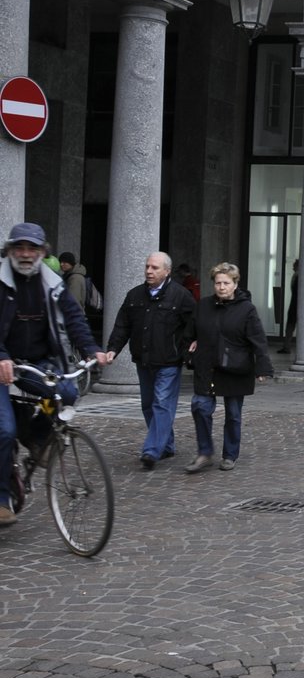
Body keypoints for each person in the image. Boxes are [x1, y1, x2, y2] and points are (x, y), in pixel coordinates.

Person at [0, 224, 114, 524]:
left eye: (32, 249)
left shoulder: (52, 282)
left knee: (68, 392)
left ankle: (36, 436)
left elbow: (74, 317)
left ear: (42, 252)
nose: (26, 255)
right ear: (10, 251)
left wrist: (92, 348)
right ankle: (1, 499)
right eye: (20, 248)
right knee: (3, 429)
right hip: (2, 365)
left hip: (37, 362)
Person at [106, 250, 197, 469]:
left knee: (162, 404)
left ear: (167, 271)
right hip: (143, 360)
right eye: (147, 266)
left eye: (154, 268)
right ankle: (166, 445)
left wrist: (191, 346)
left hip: (169, 361)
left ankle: (151, 450)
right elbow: (123, 325)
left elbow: (193, 324)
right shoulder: (135, 295)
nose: (149, 271)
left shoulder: (181, 295)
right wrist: (113, 349)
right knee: (148, 405)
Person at [184, 262, 273, 473]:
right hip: (207, 366)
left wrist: (262, 368)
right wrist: (189, 351)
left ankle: (230, 454)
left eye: (226, 283)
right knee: (200, 407)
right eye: (217, 283)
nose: (221, 287)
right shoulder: (204, 306)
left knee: (233, 414)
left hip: (235, 367)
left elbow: (258, 340)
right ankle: (205, 452)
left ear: (235, 284)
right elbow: (189, 334)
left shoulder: (247, 309)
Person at [278, 258, 299, 353]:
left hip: (295, 305)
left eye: (294, 265)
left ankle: (287, 346)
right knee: (290, 326)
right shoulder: (297, 276)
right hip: (295, 304)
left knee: (290, 326)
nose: (292, 267)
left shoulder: (298, 277)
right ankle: (286, 346)